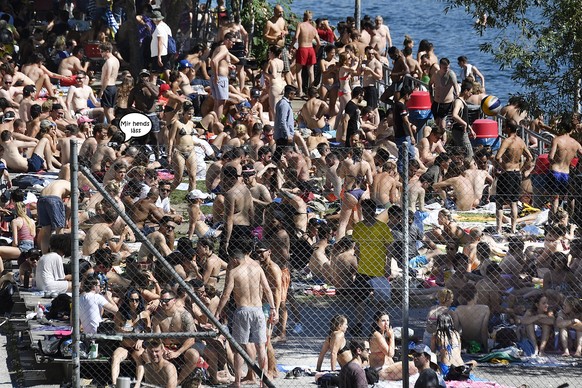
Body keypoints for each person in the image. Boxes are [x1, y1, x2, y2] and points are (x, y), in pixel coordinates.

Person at [215, 243, 278, 387]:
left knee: (240, 348)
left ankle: (237, 382)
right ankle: (263, 381)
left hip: (243, 310)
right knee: (261, 347)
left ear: (235, 259)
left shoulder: (234, 271)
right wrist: (273, 308)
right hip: (258, 310)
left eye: (231, 261)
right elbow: (268, 290)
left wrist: (218, 311)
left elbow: (226, 294)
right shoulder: (258, 268)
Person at [351, 199, 394, 336]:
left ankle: (379, 326)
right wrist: (356, 264)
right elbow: (356, 247)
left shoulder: (383, 227)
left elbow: (389, 248)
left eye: (370, 210)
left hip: (379, 269)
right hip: (363, 269)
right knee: (360, 300)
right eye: (365, 210)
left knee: (381, 301)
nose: (367, 213)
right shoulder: (358, 227)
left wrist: (388, 265)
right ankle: (359, 326)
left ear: (374, 211)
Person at [151, 288, 200, 385]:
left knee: (194, 355)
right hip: (165, 347)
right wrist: (162, 349)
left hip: (182, 347)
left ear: (174, 300)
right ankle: (158, 381)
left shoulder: (185, 315)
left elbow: (191, 339)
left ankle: (178, 382)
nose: (163, 304)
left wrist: (177, 353)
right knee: (151, 353)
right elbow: (158, 338)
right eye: (161, 301)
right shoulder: (157, 317)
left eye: (166, 301)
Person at [495, 119, 533, 234]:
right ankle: (513, 228)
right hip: (516, 173)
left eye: (505, 127)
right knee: (514, 202)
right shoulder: (521, 141)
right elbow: (530, 157)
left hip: (506, 173)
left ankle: (499, 229)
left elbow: (497, 157)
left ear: (509, 128)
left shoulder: (507, 141)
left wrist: (502, 167)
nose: (504, 129)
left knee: (500, 202)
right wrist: (521, 169)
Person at [111, 288, 150, 386]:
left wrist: (141, 339)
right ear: (127, 300)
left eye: (137, 300)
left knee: (140, 358)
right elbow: (115, 329)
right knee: (115, 357)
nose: (134, 302)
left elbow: (149, 331)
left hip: (137, 346)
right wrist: (121, 330)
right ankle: (115, 384)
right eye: (132, 300)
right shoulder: (121, 314)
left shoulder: (144, 314)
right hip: (125, 345)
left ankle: (137, 384)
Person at [548, 112, 582, 213]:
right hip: (566, 173)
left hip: (555, 170)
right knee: (567, 197)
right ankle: (568, 219)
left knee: (555, 198)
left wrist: (555, 161)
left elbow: (550, 157)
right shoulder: (576, 144)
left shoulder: (557, 140)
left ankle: (554, 220)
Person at [432, 313, 476, 379]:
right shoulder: (456, 334)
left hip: (447, 367)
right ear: (451, 322)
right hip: (460, 366)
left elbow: (432, 353)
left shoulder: (436, 335)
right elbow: (459, 351)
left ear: (438, 323)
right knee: (474, 362)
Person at [36, 179, 71, 254]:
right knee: (60, 230)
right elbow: (69, 206)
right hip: (54, 199)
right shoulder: (75, 188)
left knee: (46, 231)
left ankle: (44, 255)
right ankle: (59, 255)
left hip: (41, 199)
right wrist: (66, 219)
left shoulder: (59, 182)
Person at [293, 10, 320, 96]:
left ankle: (300, 91)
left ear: (304, 17)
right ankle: (311, 92)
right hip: (310, 49)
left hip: (302, 48)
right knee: (311, 72)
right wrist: (315, 51)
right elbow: (319, 43)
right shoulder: (313, 28)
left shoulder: (300, 25)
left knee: (298, 71)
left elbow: (296, 37)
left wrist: (291, 47)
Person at [211, 32, 237, 119]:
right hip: (220, 78)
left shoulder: (219, 48)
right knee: (221, 102)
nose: (233, 44)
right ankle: (217, 123)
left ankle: (214, 123)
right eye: (232, 42)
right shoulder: (224, 49)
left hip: (217, 77)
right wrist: (217, 76)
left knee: (217, 103)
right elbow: (214, 61)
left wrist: (228, 64)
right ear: (227, 40)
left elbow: (236, 60)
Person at [429, 58, 458, 132]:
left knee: (442, 126)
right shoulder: (435, 74)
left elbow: (456, 86)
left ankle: (443, 140)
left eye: (448, 67)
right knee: (437, 123)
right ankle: (439, 139)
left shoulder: (451, 74)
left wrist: (457, 97)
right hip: (436, 102)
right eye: (445, 68)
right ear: (440, 66)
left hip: (446, 103)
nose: (446, 69)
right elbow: (430, 84)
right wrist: (431, 96)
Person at [393, 85, 416, 174]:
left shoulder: (396, 105)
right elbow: (405, 121)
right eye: (409, 96)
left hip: (399, 134)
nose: (410, 98)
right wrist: (412, 136)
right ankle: (404, 175)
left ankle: (404, 174)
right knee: (409, 155)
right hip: (404, 135)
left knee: (403, 156)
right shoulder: (401, 106)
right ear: (406, 95)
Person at [450, 80, 476, 158]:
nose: (471, 94)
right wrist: (464, 124)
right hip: (459, 131)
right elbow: (454, 115)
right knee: (469, 154)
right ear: (465, 91)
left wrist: (471, 129)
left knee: (461, 154)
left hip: (463, 130)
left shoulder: (463, 101)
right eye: (470, 92)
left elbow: (464, 118)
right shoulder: (459, 101)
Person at [274, 85, 297, 160]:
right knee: (283, 155)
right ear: (289, 94)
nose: (295, 96)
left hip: (285, 135)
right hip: (283, 136)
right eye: (294, 94)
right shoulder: (284, 104)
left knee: (279, 155)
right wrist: (288, 135)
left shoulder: (285, 103)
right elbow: (282, 121)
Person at [98, 41, 119, 123]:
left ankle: (115, 128)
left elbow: (107, 77)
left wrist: (102, 90)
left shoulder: (109, 62)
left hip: (108, 87)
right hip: (113, 87)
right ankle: (113, 127)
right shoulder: (116, 60)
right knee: (111, 111)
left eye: (101, 51)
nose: (101, 54)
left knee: (108, 112)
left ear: (107, 51)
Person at [150, 10, 173, 80]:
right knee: (166, 70)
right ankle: (169, 86)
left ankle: (153, 87)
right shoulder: (165, 26)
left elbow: (160, 41)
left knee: (154, 73)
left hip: (159, 53)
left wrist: (159, 56)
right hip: (165, 52)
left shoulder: (159, 28)